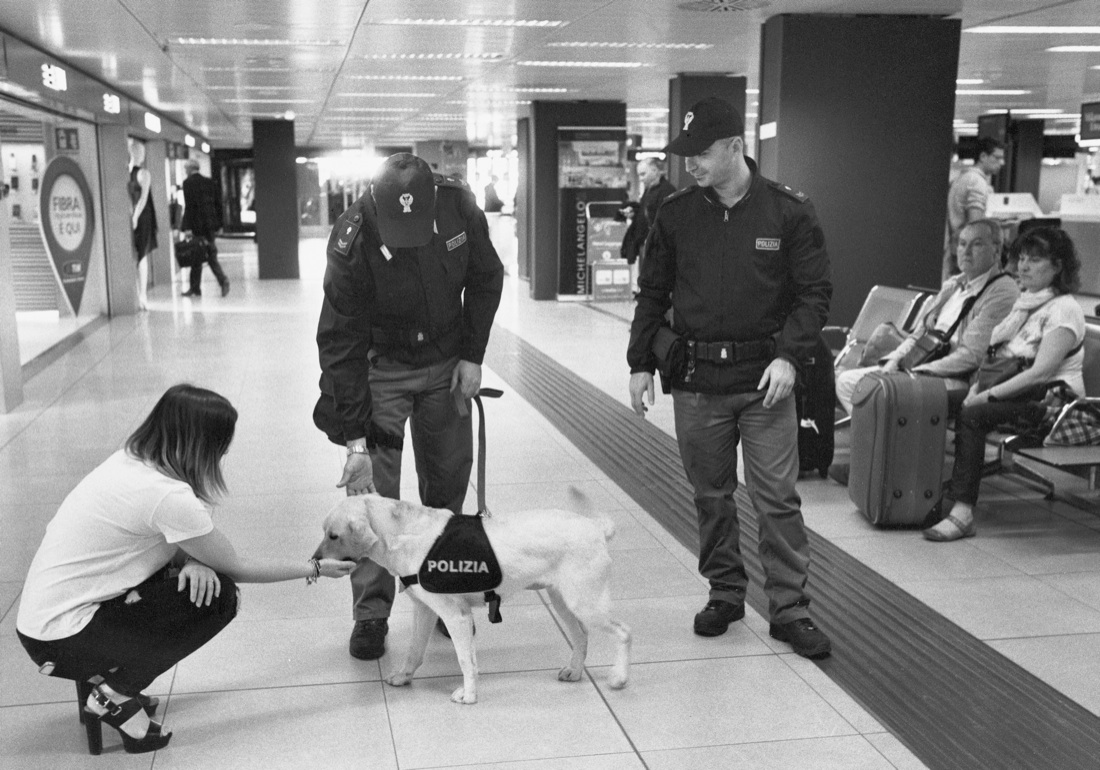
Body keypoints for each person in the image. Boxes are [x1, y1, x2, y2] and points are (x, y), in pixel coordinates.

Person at [16, 384, 354, 753]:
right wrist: (316, 567)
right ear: (202, 446)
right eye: (221, 448)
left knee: (199, 581)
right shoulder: (167, 495)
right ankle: (113, 695)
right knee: (218, 598)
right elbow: (237, 567)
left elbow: (165, 540)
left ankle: (115, 685)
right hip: (65, 638)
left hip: (43, 625)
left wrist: (194, 559)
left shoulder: (129, 461)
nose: (223, 456)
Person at [626, 97, 833, 659]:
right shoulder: (676, 214)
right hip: (696, 384)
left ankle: (789, 608)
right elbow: (653, 294)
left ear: (735, 147)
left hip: (767, 381)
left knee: (776, 499)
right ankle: (725, 592)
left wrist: (790, 355)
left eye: (701, 153)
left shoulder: (788, 212)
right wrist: (639, 362)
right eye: (685, 154)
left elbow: (815, 295)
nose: (690, 164)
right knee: (711, 496)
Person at [315, 152, 504, 661]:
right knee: (372, 502)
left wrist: (473, 355)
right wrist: (354, 438)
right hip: (383, 368)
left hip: (446, 361)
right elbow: (338, 339)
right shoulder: (353, 234)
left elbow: (487, 277)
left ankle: (444, 594)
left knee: (445, 486)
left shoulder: (459, 206)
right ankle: (372, 614)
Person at [925, 227, 1086, 542]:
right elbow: (996, 360)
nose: (1024, 266)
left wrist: (984, 396)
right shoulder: (1024, 305)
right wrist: (977, 390)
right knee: (933, 401)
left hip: (1053, 407)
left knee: (973, 415)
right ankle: (918, 489)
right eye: (1022, 258)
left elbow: (1040, 373)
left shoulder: (1064, 309)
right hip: (1017, 395)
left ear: (1058, 267)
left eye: (1035, 260)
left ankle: (962, 512)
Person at [836, 219, 1019, 417]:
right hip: (921, 365)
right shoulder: (953, 285)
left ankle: (885, 442)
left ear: (996, 250)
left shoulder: (1002, 290)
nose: (966, 252)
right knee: (847, 382)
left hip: (955, 377)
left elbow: (971, 356)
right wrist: (895, 361)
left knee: (879, 392)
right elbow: (918, 335)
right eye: (962, 244)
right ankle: (881, 442)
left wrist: (916, 372)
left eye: (977, 244)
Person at [944, 137, 1005, 281]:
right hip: (968, 249)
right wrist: (1000, 226)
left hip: (956, 245)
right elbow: (976, 225)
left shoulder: (962, 177)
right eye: (997, 157)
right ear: (983, 156)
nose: (1002, 163)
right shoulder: (977, 182)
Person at [180, 159, 230, 298]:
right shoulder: (209, 182)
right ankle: (195, 288)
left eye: (186, 169)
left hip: (196, 225)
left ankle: (221, 280)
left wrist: (187, 227)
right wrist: (219, 225)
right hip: (209, 226)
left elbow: (189, 207)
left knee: (199, 255)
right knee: (206, 255)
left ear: (190, 169)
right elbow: (218, 204)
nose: (185, 172)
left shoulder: (188, 183)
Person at [620, 157, 676, 267]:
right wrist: (634, 212)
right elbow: (645, 213)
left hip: (655, 247)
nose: (640, 179)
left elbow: (667, 221)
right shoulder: (649, 190)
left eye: (643, 174)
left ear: (655, 171)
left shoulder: (666, 191)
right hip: (646, 244)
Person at [128, 142, 157, 311]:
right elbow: (142, 198)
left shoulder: (138, 174)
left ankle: (142, 295)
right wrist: (134, 216)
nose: (142, 154)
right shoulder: (138, 173)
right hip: (138, 216)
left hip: (138, 216)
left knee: (140, 254)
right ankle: (140, 294)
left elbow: (142, 198)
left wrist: (134, 216)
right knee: (139, 255)